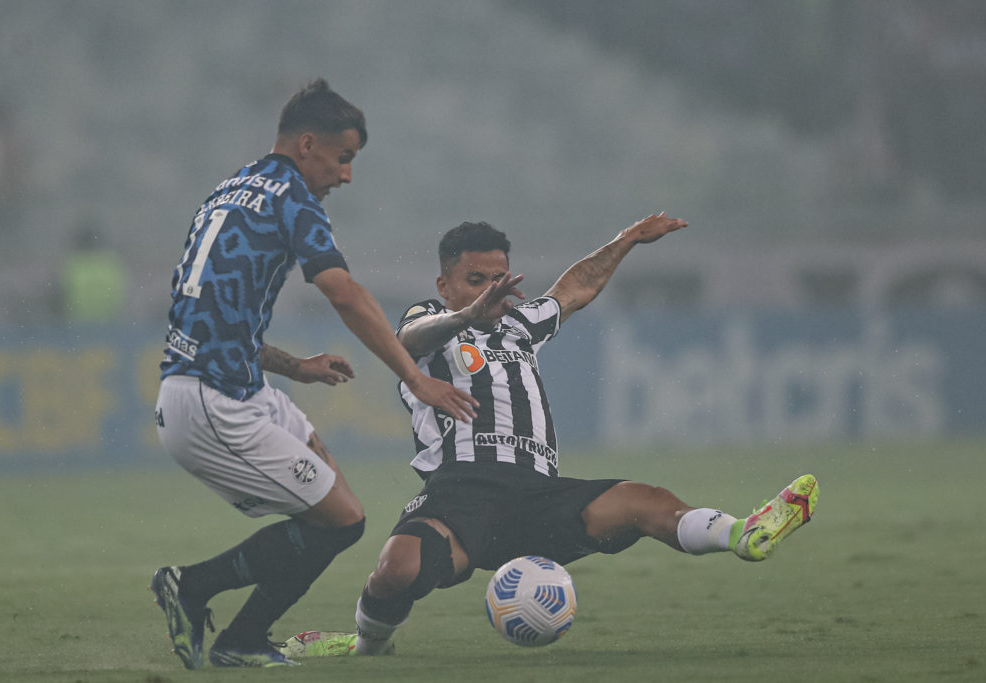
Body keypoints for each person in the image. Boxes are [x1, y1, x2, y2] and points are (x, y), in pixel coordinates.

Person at [333, 215, 820, 655]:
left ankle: (744, 533)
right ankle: (368, 647)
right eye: (474, 281)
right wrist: (464, 316)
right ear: (445, 284)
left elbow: (575, 288)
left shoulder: (521, 325)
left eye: (496, 281)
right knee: (397, 569)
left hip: (539, 493)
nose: (487, 291)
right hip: (463, 494)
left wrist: (626, 240)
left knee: (643, 500)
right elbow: (406, 341)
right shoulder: (429, 326)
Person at [150, 78, 477, 669]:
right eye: (343, 158)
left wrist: (294, 366)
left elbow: (213, 314)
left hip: (235, 383)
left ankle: (241, 637)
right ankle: (199, 594)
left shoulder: (230, 188)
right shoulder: (291, 197)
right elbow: (344, 293)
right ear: (307, 144)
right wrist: (416, 377)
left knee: (336, 502)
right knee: (342, 520)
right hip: (210, 401)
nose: (347, 175)